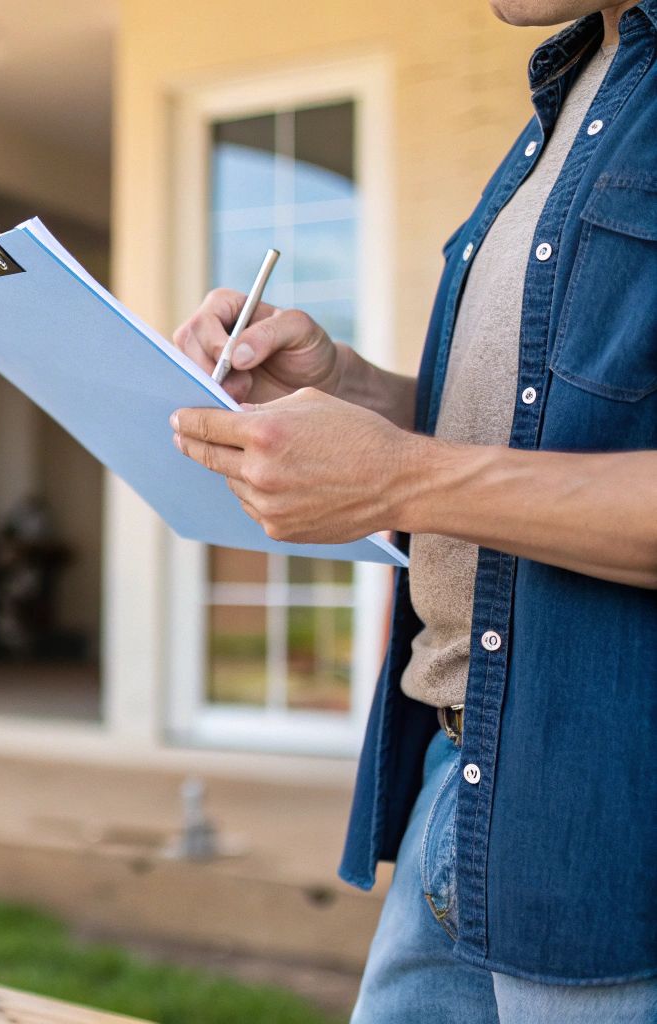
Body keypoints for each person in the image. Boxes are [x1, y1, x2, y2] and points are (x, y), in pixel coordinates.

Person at [168, 2, 657, 1020]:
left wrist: (400, 481)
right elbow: (531, 434)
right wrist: (345, 388)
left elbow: (438, 475)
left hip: (611, 825)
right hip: (459, 777)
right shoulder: (574, 91)